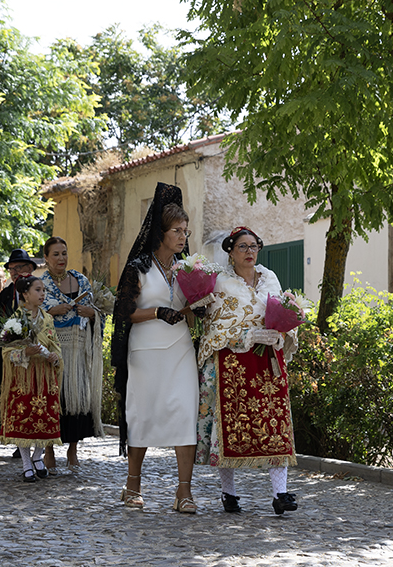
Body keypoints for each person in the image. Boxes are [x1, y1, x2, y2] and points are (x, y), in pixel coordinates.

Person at [195, 227, 300, 515]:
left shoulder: (270, 277)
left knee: (275, 424)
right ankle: (229, 493)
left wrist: (280, 335)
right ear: (230, 250)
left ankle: (281, 494)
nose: (249, 252)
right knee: (231, 427)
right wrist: (246, 337)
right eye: (242, 247)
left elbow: (280, 313)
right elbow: (214, 326)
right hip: (232, 363)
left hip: (268, 360)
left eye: (254, 246)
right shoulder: (220, 282)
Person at [112, 182, 200, 513]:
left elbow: (187, 307)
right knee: (142, 415)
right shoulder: (138, 268)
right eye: (177, 230)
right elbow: (124, 314)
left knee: (183, 413)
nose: (183, 237)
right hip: (145, 353)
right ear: (160, 233)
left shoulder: (188, 270)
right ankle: (132, 486)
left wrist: (197, 308)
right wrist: (156, 313)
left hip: (179, 350)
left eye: (185, 231)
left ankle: (184, 493)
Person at [41, 236, 103, 468]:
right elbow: (32, 315)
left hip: (78, 349)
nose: (61, 258)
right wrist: (51, 311)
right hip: (53, 351)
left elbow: (96, 312)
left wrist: (92, 313)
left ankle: (73, 450)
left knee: (76, 399)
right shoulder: (41, 284)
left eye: (64, 253)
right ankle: (48, 451)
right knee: (53, 399)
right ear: (46, 258)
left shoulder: (81, 280)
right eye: (55, 254)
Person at [0, 276, 62, 482]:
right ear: (25, 294)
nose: (42, 294)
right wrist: (25, 352)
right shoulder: (15, 320)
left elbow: (55, 344)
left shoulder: (48, 318)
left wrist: (55, 357)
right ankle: (26, 462)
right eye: (38, 290)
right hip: (23, 377)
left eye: (43, 290)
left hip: (45, 376)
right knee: (24, 418)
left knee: (43, 418)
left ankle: (37, 456)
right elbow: (6, 353)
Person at [0, 249, 38, 449]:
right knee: (12, 398)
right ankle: (14, 439)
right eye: (11, 269)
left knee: (33, 398)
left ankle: (32, 442)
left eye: (20, 268)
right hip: (10, 357)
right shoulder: (5, 295)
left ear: (30, 269)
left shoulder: (40, 289)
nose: (15, 272)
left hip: (35, 355)